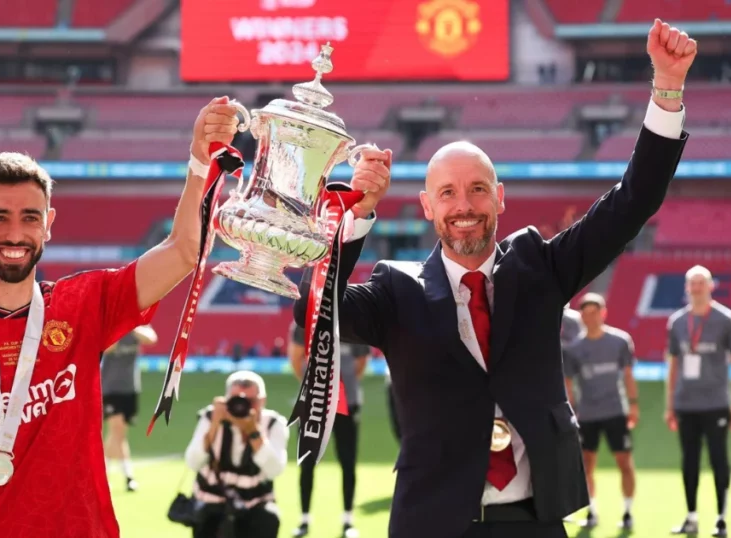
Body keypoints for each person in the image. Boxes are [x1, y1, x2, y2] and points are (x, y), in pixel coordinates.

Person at [293, 19, 692, 538]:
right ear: (426, 206)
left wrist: (667, 87)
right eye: (449, 193)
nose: (464, 206)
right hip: (433, 523)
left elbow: (633, 201)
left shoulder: (540, 268)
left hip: (536, 521)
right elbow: (316, 308)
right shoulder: (397, 291)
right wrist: (357, 216)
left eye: (478, 190)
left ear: (500, 197)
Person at [0, 96, 241, 538]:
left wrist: (197, 160)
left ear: (49, 223)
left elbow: (182, 252)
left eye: (29, 217)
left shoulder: (87, 302)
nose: (15, 233)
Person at [665, 265, 731, 537]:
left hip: (716, 404)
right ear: (687, 287)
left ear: (711, 286)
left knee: (718, 459)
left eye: (701, 282)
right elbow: (673, 366)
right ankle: (691, 517)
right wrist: (669, 405)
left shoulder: (726, 320)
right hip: (686, 404)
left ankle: (721, 518)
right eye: (692, 283)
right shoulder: (677, 322)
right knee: (688, 461)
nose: (696, 287)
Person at [562, 293, 639, 530]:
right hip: (587, 414)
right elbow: (568, 383)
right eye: (585, 313)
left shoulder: (619, 341)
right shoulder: (573, 349)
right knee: (586, 464)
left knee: (624, 462)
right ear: (580, 316)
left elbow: (627, 375)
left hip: (616, 411)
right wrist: (572, 410)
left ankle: (627, 511)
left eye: (594, 312)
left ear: (603, 313)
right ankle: (592, 511)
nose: (590, 317)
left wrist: (633, 404)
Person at [287, 321, 369, 538]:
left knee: (348, 462)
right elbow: (296, 358)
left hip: (346, 403)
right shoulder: (304, 321)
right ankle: (304, 519)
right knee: (307, 463)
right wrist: (316, 389)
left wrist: (341, 389)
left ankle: (348, 520)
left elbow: (361, 362)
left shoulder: (353, 319)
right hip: (313, 405)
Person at [183, 371, 289, 538]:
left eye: (250, 401)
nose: (242, 406)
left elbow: (274, 470)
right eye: (236, 400)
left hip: (254, 507)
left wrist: (254, 433)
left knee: (269, 517)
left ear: (263, 401)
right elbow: (193, 462)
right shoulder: (211, 417)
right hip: (212, 504)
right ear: (225, 400)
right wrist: (214, 426)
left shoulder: (273, 424)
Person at [101, 323, 158, 492]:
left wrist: (131, 325)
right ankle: (125, 476)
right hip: (110, 388)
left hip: (130, 388)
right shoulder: (111, 326)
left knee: (119, 434)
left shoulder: (137, 327)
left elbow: (151, 339)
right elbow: (107, 348)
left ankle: (114, 475)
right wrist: (119, 328)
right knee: (117, 430)